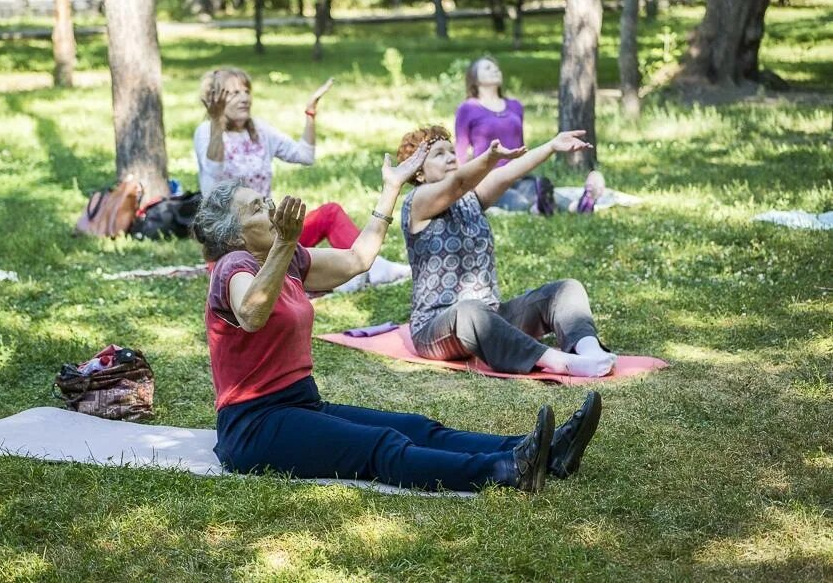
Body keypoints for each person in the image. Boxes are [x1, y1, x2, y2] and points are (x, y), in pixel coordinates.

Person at [191, 147, 603, 493]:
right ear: (235, 236)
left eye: (264, 199)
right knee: (380, 446)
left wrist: (390, 189)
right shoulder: (234, 266)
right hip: (253, 427)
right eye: (256, 209)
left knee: (416, 427)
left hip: (300, 403)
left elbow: (357, 259)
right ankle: (508, 470)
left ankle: (549, 452)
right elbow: (251, 313)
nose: (270, 206)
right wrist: (284, 242)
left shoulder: (289, 258)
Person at [398, 125, 618, 378]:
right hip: (437, 329)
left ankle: (590, 351)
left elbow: (506, 174)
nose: (450, 156)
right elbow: (458, 183)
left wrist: (550, 146)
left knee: (566, 289)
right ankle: (560, 362)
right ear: (419, 174)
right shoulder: (417, 202)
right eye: (438, 154)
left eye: (451, 150)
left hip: (491, 318)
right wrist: (490, 157)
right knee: (468, 310)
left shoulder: (470, 199)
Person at [194, 67, 410, 291]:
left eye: (246, 91)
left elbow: (304, 156)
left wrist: (310, 113)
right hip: (236, 241)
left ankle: (373, 267)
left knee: (330, 213)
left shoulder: (259, 131)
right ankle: (336, 279)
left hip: (271, 230)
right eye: (233, 93)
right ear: (215, 99)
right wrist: (216, 122)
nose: (244, 98)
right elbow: (214, 169)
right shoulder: (205, 132)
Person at [455, 56, 603, 214]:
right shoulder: (467, 108)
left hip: (519, 173)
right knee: (515, 199)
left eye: (496, 67)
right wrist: (461, 186)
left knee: (541, 191)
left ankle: (581, 205)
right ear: (474, 78)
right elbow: (460, 151)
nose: (495, 70)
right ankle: (538, 208)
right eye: (487, 68)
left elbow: (521, 145)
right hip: (490, 178)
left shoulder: (515, 106)